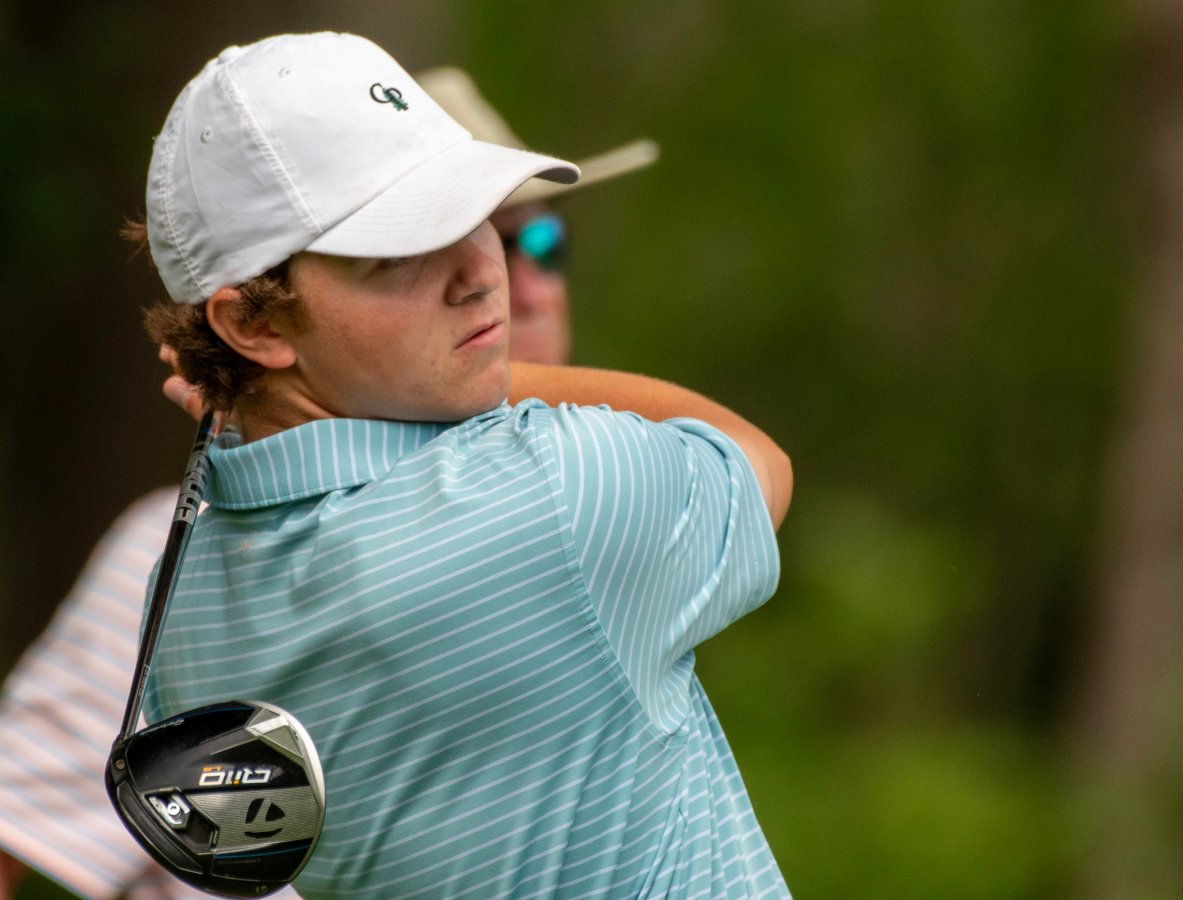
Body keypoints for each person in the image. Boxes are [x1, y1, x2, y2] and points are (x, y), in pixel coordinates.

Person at [133, 30, 791, 897]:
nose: (483, 273)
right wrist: (503, 369)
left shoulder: (177, 603)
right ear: (255, 324)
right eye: (398, 251)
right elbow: (757, 457)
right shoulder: (556, 492)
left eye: (473, 209)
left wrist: (255, 398)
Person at [0, 60, 658, 900]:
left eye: (540, 242)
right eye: (413, 250)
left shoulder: (591, 496)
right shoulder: (171, 559)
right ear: (263, 321)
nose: (507, 280)